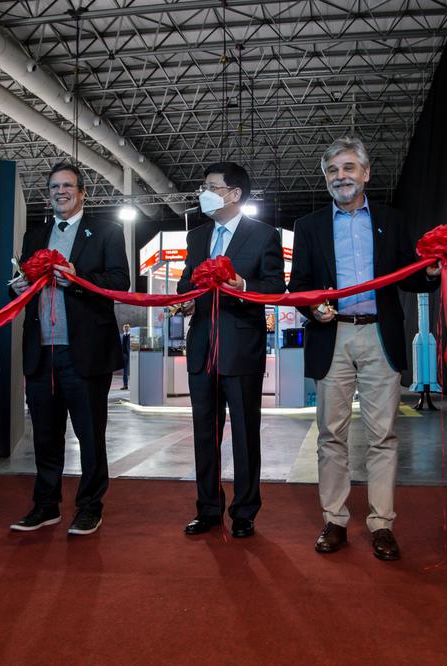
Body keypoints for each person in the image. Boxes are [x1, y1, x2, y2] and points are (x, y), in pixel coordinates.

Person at [289, 137, 439, 560]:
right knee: (330, 437)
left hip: (379, 335)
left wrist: (428, 271)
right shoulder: (309, 227)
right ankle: (334, 520)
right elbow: (298, 286)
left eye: (349, 168)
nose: (342, 177)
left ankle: (381, 524)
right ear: (326, 178)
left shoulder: (392, 220)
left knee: (383, 436)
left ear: (366, 173)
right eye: (334, 170)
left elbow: (409, 277)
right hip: (331, 336)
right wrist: (311, 308)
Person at [8, 162, 129, 535]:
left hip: (85, 352)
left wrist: (77, 279)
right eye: (54, 186)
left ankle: (90, 506)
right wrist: (17, 289)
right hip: (41, 350)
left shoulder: (107, 232)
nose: (61, 191)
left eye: (68, 186)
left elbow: (119, 283)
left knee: (90, 435)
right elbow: (26, 280)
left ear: (82, 193)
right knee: (44, 434)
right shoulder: (35, 235)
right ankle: (46, 506)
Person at [175, 162, 285, 538]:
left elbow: (274, 288)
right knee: (204, 433)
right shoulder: (197, 236)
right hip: (202, 346)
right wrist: (184, 300)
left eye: (210, 186)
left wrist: (239, 283)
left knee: (244, 433)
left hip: (242, 347)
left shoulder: (264, 235)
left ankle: (244, 511)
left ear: (234, 194)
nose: (203, 192)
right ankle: (207, 509)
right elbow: (183, 284)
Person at [121, 323, 131, 390]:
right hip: (123, 355)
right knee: (124, 371)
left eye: (127, 327)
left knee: (126, 371)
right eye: (125, 327)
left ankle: (127, 385)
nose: (126, 328)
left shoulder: (131, 335)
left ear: (129, 328)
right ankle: (125, 385)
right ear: (123, 328)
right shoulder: (122, 336)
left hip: (130, 354)